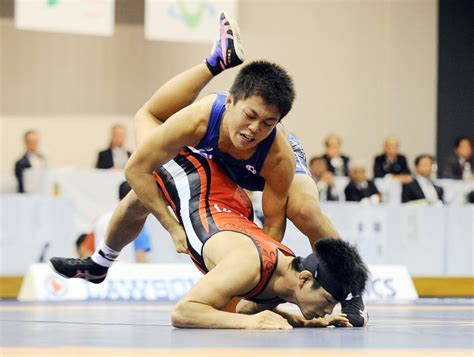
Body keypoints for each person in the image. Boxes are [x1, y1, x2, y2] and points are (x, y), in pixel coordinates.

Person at [49, 12, 366, 326]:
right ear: (230, 102)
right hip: (221, 165)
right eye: (250, 116)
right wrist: (174, 229)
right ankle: (216, 62)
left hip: (257, 170)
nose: (254, 129)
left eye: (268, 123)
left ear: (278, 122)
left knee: (304, 210)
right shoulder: (201, 118)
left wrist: (251, 284)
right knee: (144, 154)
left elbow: (272, 225)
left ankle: (353, 295)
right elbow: (136, 170)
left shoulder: (278, 154)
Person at [53, 148, 369, 329]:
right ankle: (101, 261)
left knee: (303, 209)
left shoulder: (287, 275)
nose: (328, 311)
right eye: (328, 302)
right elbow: (183, 312)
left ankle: (99, 264)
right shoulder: (247, 265)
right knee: (139, 195)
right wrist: (250, 326)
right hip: (189, 178)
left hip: (233, 202)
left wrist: (297, 320)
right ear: (303, 279)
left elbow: (248, 306)